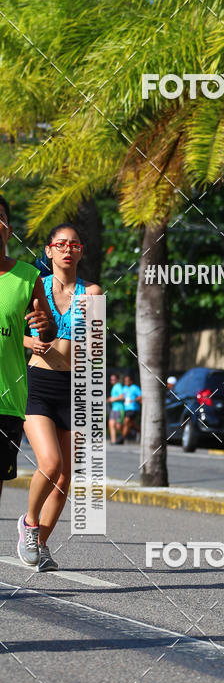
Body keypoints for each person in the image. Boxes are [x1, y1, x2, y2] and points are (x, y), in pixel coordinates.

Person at [17, 223, 102, 570]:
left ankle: (42, 544)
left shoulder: (92, 292)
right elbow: (11, 333)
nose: (68, 249)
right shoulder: (36, 289)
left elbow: (94, 350)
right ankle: (29, 524)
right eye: (61, 244)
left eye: (75, 244)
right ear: (49, 250)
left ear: (81, 252)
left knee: (66, 477)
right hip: (38, 384)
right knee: (49, 464)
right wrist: (30, 342)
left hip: (75, 387)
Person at [0, 195, 56, 508]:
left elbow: (45, 331)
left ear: (8, 230)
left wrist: (44, 325)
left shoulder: (28, 277)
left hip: (6, 401)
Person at [121, 374, 142, 442]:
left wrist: (133, 400)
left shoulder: (135, 387)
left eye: (127, 381)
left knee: (126, 421)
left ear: (131, 381)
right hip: (126, 408)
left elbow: (140, 396)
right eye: (125, 381)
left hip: (133, 408)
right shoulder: (124, 388)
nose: (126, 382)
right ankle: (140, 431)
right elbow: (123, 396)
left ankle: (122, 439)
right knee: (131, 423)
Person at [108, 372, 125, 444]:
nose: (112, 381)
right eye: (111, 380)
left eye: (114, 379)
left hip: (119, 409)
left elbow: (122, 397)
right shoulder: (114, 387)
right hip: (113, 409)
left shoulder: (118, 386)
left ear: (117, 379)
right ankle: (113, 441)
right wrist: (109, 399)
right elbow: (113, 397)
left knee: (118, 427)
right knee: (111, 424)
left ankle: (124, 435)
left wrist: (113, 399)